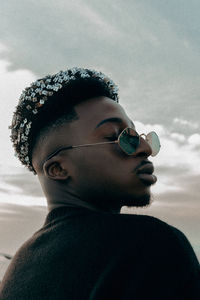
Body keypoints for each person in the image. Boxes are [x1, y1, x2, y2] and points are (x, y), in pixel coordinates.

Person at [0, 67, 199, 299]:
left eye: (136, 135)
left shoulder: (18, 270)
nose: (145, 149)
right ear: (59, 168)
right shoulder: (150, 246)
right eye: (117, 136)